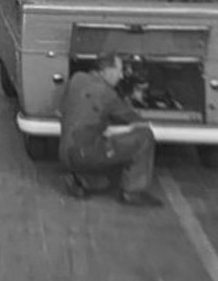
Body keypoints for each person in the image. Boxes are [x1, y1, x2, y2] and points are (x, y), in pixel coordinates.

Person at [58, 53, 163, 207]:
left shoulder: (76, 79)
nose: (121, 76)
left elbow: (64, 110)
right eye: (118, 71)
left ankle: (82, 180)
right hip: (85, 154)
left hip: (64, 152)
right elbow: (134, 119)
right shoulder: (107, 94)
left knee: (106, 176)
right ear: (106, 71)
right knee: (144, 137)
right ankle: (133, 192)